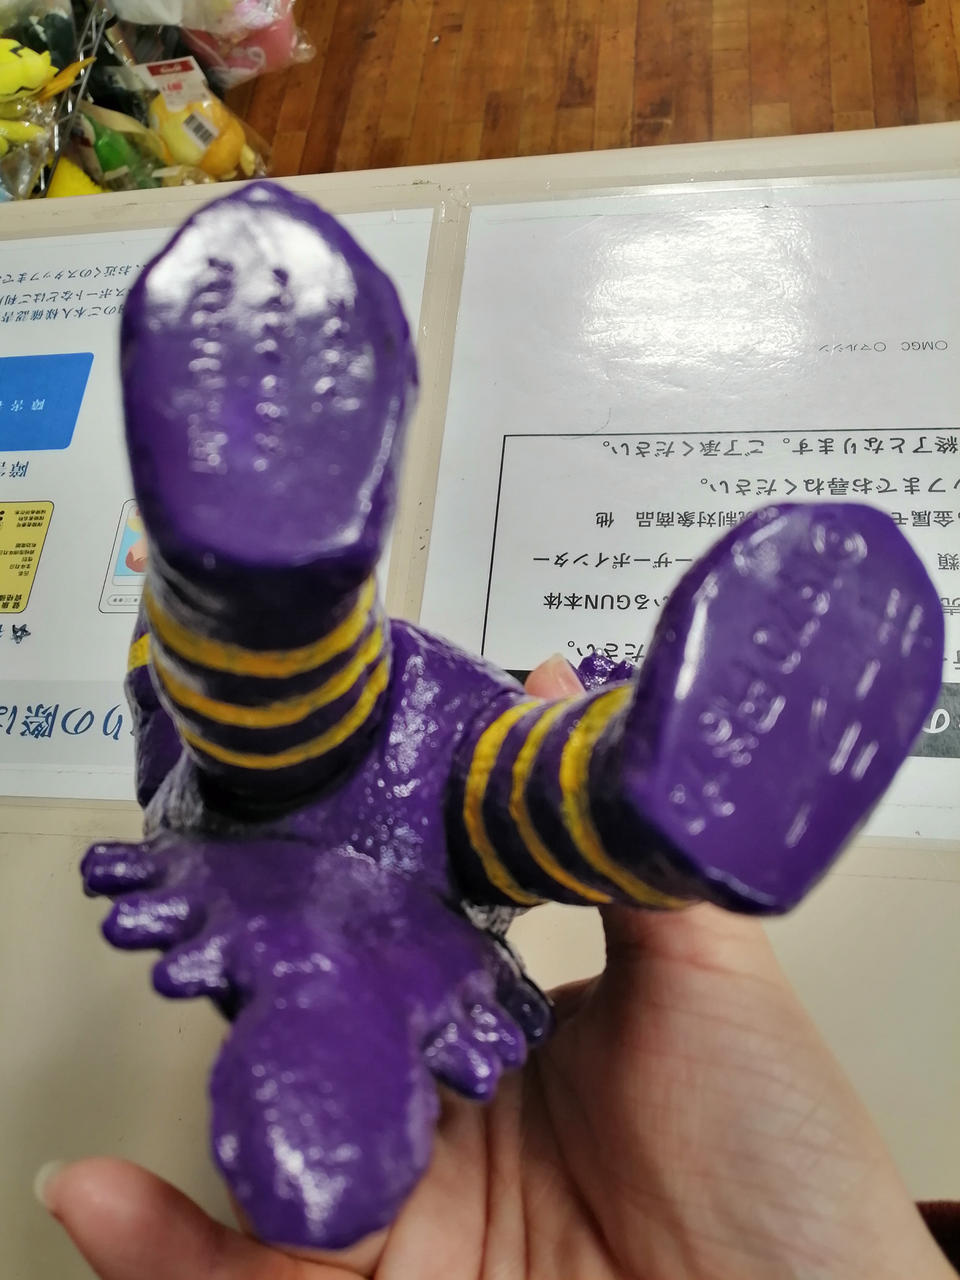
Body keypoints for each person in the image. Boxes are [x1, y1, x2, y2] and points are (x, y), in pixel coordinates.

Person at [35, 656, 956, 1280]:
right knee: (534, 803)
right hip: (445, 801)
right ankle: (627, 764)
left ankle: (254, 607)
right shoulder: (442, 996)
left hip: (334, 774)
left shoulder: (245, 910)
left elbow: (174, 758)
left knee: (271, 705)